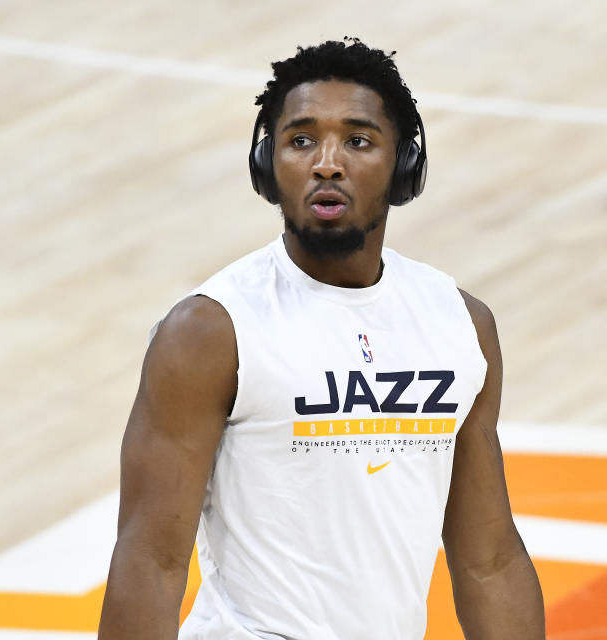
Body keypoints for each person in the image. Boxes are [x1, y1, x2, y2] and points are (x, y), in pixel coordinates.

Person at [97, 38, 544, 640]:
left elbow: (488, 559)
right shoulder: (210, 330)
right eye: (301, 139)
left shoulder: (459, 323)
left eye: (358, 141)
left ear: (403, 166)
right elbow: (151, 557)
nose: (326, 163)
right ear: (267, 163)